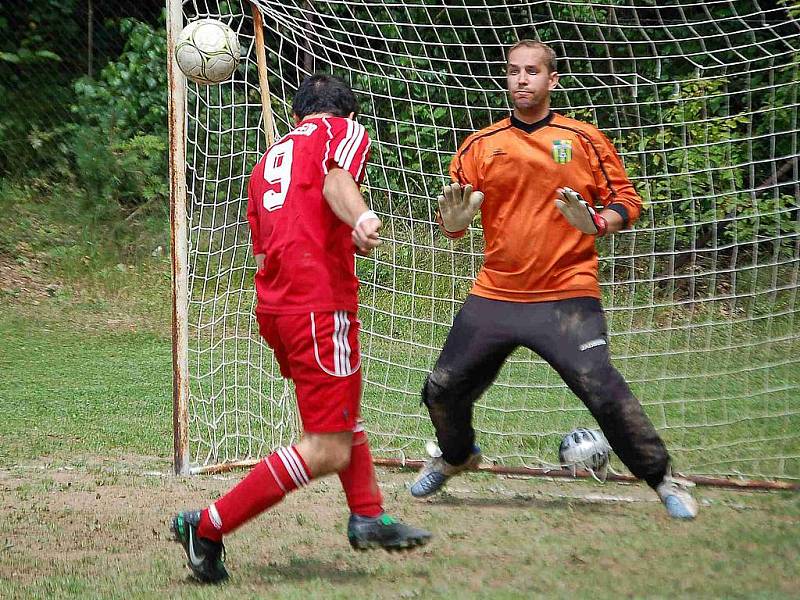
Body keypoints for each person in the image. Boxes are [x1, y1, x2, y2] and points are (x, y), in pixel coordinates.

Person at [409, 40, 698, 520]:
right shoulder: (480, 147)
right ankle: (456, 456)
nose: (522, 80)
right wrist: (453, 222)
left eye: (533, 72)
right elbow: (454, 222)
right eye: (514, 71)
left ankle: (664, 479)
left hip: (566, 296)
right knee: (441, 390)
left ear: (552, 80)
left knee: (602, 389)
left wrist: (599, 223)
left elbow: (627, 200)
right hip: (496, 295)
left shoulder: (583, 138)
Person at [171, 74, 431, 584]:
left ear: (295, 117)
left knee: (341, 411)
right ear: (346, 115)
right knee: (326, 446)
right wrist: (361, 216)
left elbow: (272, 244)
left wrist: (341, 235)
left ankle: (368, 514)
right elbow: (337, 180)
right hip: (318, 305)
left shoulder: (266, 163)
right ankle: (206, 525)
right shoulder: (340, 131)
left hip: (277, 306)